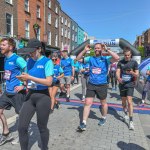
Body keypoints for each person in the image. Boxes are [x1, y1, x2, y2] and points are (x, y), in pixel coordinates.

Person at [16, 38, 54, 150]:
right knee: (22, 127)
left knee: (42, 127)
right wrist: (23, 80)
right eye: (29, 51)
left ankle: (44, 147)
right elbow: (27, 79)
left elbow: (49, 82)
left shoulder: (47, 62)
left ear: (39, 49)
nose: (30, 53)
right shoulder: (29, 61)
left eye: (32, 51)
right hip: (30, 96)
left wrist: (29, 77)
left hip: (43, 97)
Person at [76, 43, 119, 131]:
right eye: (95, 48)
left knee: (103, 103)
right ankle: (83, 122)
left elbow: (117, 58)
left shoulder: (105, 59)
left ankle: (103, 117)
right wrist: (84, 50)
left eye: (99, 48)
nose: (97, 50)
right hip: (91, 84)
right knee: (87, 102)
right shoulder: (90, 58)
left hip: (102, 84)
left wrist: (107, 50)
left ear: (102, 49)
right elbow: (77, 59)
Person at [0, 37, 27, 145]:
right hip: (7, 91)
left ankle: (22, 136)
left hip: (17, 93)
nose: (1, 46)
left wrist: (23, 85)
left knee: (22, 115)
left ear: (10, 47)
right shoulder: (6, 59)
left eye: (3, 45)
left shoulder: (17, 59)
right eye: (1, 45)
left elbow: (27, 70)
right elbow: (7, 75)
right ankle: (6, 133)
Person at [116, 47, 139, 130]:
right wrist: (118, 78)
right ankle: (125, 113)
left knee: (129, 101)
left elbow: (137, 75)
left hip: (130, 84)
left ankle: (131, 121)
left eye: (128, 55)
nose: (127, 57)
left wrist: (132, 72)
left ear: (131, 55)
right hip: (122, 84)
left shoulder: (134, 62)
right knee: (123, 101)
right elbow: (117, 72)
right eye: (125, 55)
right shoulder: (120, 62)